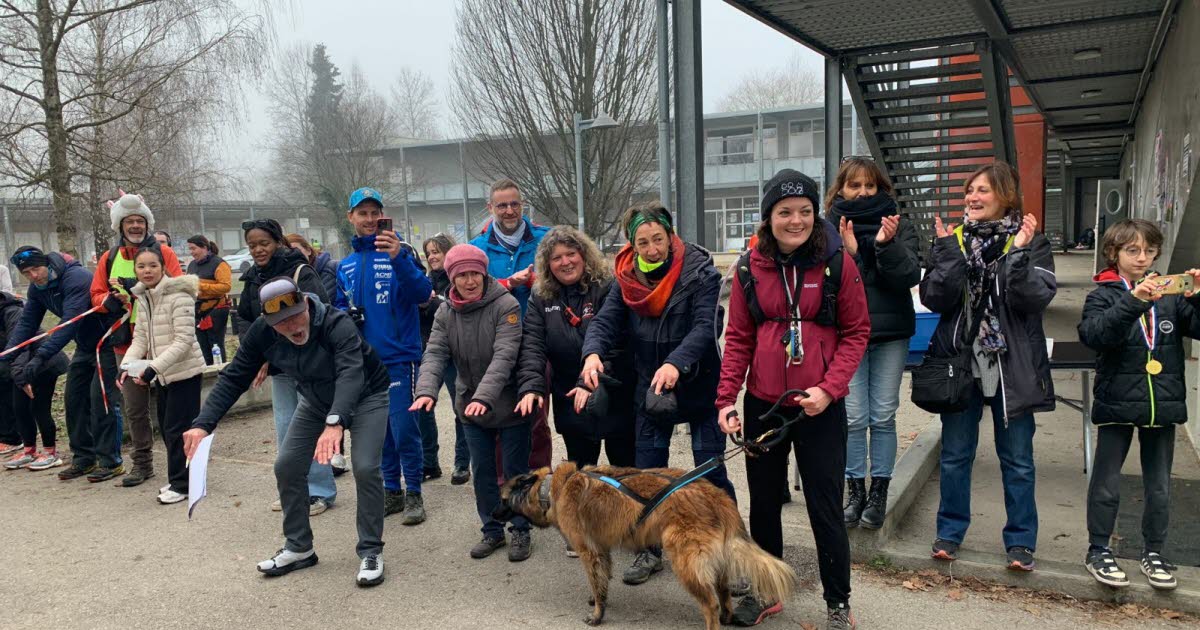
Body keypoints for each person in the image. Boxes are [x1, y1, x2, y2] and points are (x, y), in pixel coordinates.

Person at [716, 169, 870, 628]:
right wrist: (726, 398)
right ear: (769, 218)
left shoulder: (838, 263)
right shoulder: (748, 267)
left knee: (825, 505)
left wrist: (829, 389)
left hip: (819, 405)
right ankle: (766, 592)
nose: (796, 221)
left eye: (805, 211)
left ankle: (837, 602)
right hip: (764, 403)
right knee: (763, 503)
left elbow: (857, 332)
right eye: (785, 212)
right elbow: (738, 337)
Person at [183, 276, 391, 587]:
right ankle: (299, 547)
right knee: (287, 466)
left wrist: (335, 422)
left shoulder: (337, 324)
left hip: (366, 396)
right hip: (315, 400)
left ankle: (371, 550)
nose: (292, 327)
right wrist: (202, 424)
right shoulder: (262, 334)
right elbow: (234, 376)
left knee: (364, 467)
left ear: (305, 303)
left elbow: (351, 373)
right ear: (268, 321)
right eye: (281, 322)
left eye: (295, 315)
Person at [577, 201, 734, 587]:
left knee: (709, 474)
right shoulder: (625, 279)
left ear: (670, 236)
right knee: (646, 476)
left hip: (697, 386)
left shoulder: (700, 273)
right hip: (649, 389)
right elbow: (605, 323)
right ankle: (649, 551)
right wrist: (592, 353)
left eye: (658, 239)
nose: (651, 250)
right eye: (642, 242)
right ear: (632, 244)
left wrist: (676, 362)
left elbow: (705, 327)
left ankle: (727, 550)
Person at [922, 161, 1056, 571]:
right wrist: (946, 255)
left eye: (983, 190)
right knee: (956, 454)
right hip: (962, 365)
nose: (973, 198)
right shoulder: (954, 240)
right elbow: (934, 299)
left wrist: (1017, 255)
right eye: (969, 191)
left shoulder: (1032, 241)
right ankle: (949, 532)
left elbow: (1034, 299)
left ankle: (1020, 542)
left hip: (1010, 366)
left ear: (1005, 196)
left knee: (1017, 458)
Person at [1078, 219, 1200, 591]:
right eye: (1132, 250)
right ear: (1114, 253)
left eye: (1149, 250)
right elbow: (1096, 335)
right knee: (1107, 482)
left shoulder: (1172, 296)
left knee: (1159, 485)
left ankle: (1155, 551)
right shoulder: (1102, 293)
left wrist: (1197, 297)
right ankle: (1098, 549)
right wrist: (1134, 301)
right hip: (1118, 400)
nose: (1142, 258)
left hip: (1161, 402)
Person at [411, 244, 532, 562]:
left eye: (474, 273)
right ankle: (492, 530)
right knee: (482, 472)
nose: (469, 280)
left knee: (516, 473)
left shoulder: (506, 305)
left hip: (509, 403)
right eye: (461, 275)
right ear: (452, 278)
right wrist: (425, 390)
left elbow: (505, 355)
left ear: (483, 273)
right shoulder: (445, 312)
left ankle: (520, 528)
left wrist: (484, 397)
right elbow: (436, 353)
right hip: (470, 406)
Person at [824, 157, 921, 529]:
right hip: (846, 337)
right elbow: (824, 284)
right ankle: (855, 492)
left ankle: (878, 491)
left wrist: (884, 245)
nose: (863, 193)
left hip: (890, 334)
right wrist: (847, 254)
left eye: (870, 186)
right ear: (841, 190)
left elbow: (909, 275)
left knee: (882, 416)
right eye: (854, 185)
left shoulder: (899, 224)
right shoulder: (830, 227)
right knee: (852, 417)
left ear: (881, 188)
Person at [335, 187, 433, 524]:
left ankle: (415, 494)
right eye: (362, 213)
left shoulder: (401, 252)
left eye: (375, 212)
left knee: (404, 428)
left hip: (400, 358)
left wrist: (398, 258)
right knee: (381, 434)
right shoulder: (345, 265)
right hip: (364, 364)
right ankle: (393, 491)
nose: (369, 219)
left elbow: (423, 294)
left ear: (383, 216)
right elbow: (337, 312)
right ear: (351, 218)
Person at [516, 226, 635, 470]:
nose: (565, 262)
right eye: (556, 258)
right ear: (548, 264)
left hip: (615, 390)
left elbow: (618, 341)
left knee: (626, 472)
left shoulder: (608, 286)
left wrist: (590, 379)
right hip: (570, 395)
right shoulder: (541, 296)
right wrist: (531, 386)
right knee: (581, 477)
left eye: (571, 254)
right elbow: (533, 345)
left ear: (584, 254)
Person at [238, 218, 334, 515]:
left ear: (278, 242)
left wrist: (275, 351)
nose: (258, 250)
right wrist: (258, 356)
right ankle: (294, 489)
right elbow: (245, 319)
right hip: (280, 369)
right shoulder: (253, 278)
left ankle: (320, 492)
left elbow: (321, 312)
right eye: (252, 245)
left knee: (313, 428)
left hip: (309, 365)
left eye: (264, 243)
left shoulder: (300, 271)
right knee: (286, 431)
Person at [3, 247, 124, 481]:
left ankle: (111, 461)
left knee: (102, 401)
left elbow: (69, 323)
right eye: (26, 273)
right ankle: (84, 458)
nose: (34, 276)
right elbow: (27, 324)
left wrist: (40, 358)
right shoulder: (38, 288)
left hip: (107, 341)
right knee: (74, 400)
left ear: (46, 263)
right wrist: (7, 354)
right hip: (84, 345)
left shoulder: (75, 278)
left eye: (36, 269)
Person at [91, 192, 184, 488]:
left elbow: (180, 287)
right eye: (129, 221)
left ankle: (180, 464)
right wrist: (109, 300)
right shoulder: (109, 258)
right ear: (120, 225)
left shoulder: (165, 254)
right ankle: (142, 464)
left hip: (163, 340)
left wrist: (139, 289)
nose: (135, 226)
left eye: (139, 221)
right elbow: (95, 294)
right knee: (134, 407)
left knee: (171, 405)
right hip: (126, 343)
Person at [469, 178, 553, 470]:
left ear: (523, 205)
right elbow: (468, 294)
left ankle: (539, 481)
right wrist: (506, 283)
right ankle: (504, 487)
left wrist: (539, 283)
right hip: (493, 347)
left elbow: (567, 280)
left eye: (514, 204)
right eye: (501, 205)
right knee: (498, 417)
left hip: (538, 342)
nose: (508, 211)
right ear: (490, 207)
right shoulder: (476, 249)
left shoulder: (547, 239)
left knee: (537, 417)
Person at [118, 245, 207, 504]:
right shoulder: (144, 297)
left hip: (185, 373)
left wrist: (152, 368)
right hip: (164, 375)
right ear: (135, 270)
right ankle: (181, 477)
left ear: (163, 267)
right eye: (141, 266)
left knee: (179, 429)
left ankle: (184, 484)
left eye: (153, 265)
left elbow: (183, 341)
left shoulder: (180, 296)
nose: (147, 271)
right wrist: (126, 367)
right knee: (169, 430)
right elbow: (141, 338)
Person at [417, 233, 472, 485]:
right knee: (422, 406)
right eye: (429, 252)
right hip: (430, 351)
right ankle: (429, 461)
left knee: (460, 408)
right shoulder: (423, 281)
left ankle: (462, 463)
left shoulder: (459, 281)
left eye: (437, 251)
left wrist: (437, 302)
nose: (432, 256)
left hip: (455, 353)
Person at [1, 290, 69, 470]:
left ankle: (50, 453)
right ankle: (29, 451)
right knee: (20, 408)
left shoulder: (12, 312)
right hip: (20, 366)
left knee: (39, 408)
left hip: (43, 363)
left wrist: (22, 378)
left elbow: (20, 346)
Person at [185, 235, 232, 365]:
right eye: (190, 249)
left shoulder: (219, 264)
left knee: (215, 344)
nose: (191, 252)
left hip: (216, 310)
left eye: (193, 248)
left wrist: (200, 285)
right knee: (202, 346)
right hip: (198, 310)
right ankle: (207, 373)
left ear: (204, 247)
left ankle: (220, 372)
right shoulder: (192, 265)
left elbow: (225, 286)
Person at [286, 233, 339, 305]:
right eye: (288, 253)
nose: (293, 255)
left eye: (296, 250)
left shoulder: (331, 268)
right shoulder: (291, 279)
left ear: (308, 250)